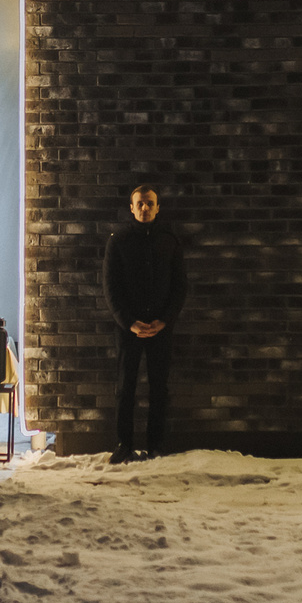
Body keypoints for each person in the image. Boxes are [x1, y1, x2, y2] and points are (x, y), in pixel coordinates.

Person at [103, 182, 187, 463]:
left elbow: (180, 287)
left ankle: (156, 445)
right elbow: (110, 289)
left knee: (159, 388)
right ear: (131, 207)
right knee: (125, 387)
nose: (145, 207)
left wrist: (165, 321)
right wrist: (130, 323)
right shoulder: (118, 241)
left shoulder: (169, 241)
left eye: (150, 203)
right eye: (140, 203)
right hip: (129, 329)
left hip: (161, 328)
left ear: (158, 207)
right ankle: (123, 445)